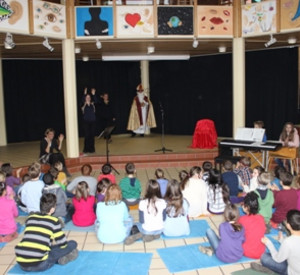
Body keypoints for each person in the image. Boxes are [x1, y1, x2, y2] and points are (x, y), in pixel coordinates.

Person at [15, 193, 78, 272]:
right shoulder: (54, 221)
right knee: (72, 243)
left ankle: (60, 258)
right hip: (40, 264)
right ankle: (59, 259)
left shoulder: (30, 218)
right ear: (52, 209)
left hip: (22, 263)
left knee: (49, 247)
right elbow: (63, 244)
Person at [251, 210, 300, 275]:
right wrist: (282, 240)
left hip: (292, 272)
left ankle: (271, 271)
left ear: (288, 225)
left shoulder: (288, 242)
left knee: (264, 257)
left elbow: (278, 259)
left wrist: (268, 243)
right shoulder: (289, 241)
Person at [124, 179, 166, 245]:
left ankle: (139, 235)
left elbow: (141, 221)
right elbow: (164, 218)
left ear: (147, 190)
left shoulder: (142, 203)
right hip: (160, 229)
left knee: (136, 224)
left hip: (147, 230)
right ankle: (155, 235)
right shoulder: (163, 202)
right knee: (153, 227)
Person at [238, 192, 266, 259]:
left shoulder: (242, 219)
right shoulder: (261, 218)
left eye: (243, 204)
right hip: (261, 252)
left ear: (246, 207)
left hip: (246, 251)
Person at [81, 87, 98, 153]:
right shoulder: (83, 105)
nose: (88, 98)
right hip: (86, 122)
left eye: (89, 97)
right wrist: (84, 94)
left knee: (92, 136)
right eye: (86, 97)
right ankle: (86, 149)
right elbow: (82, 100)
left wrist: (93, 94)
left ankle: (92, 149)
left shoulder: (93, 104)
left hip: (93, 122)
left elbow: (96, 101)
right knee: (87, 135)